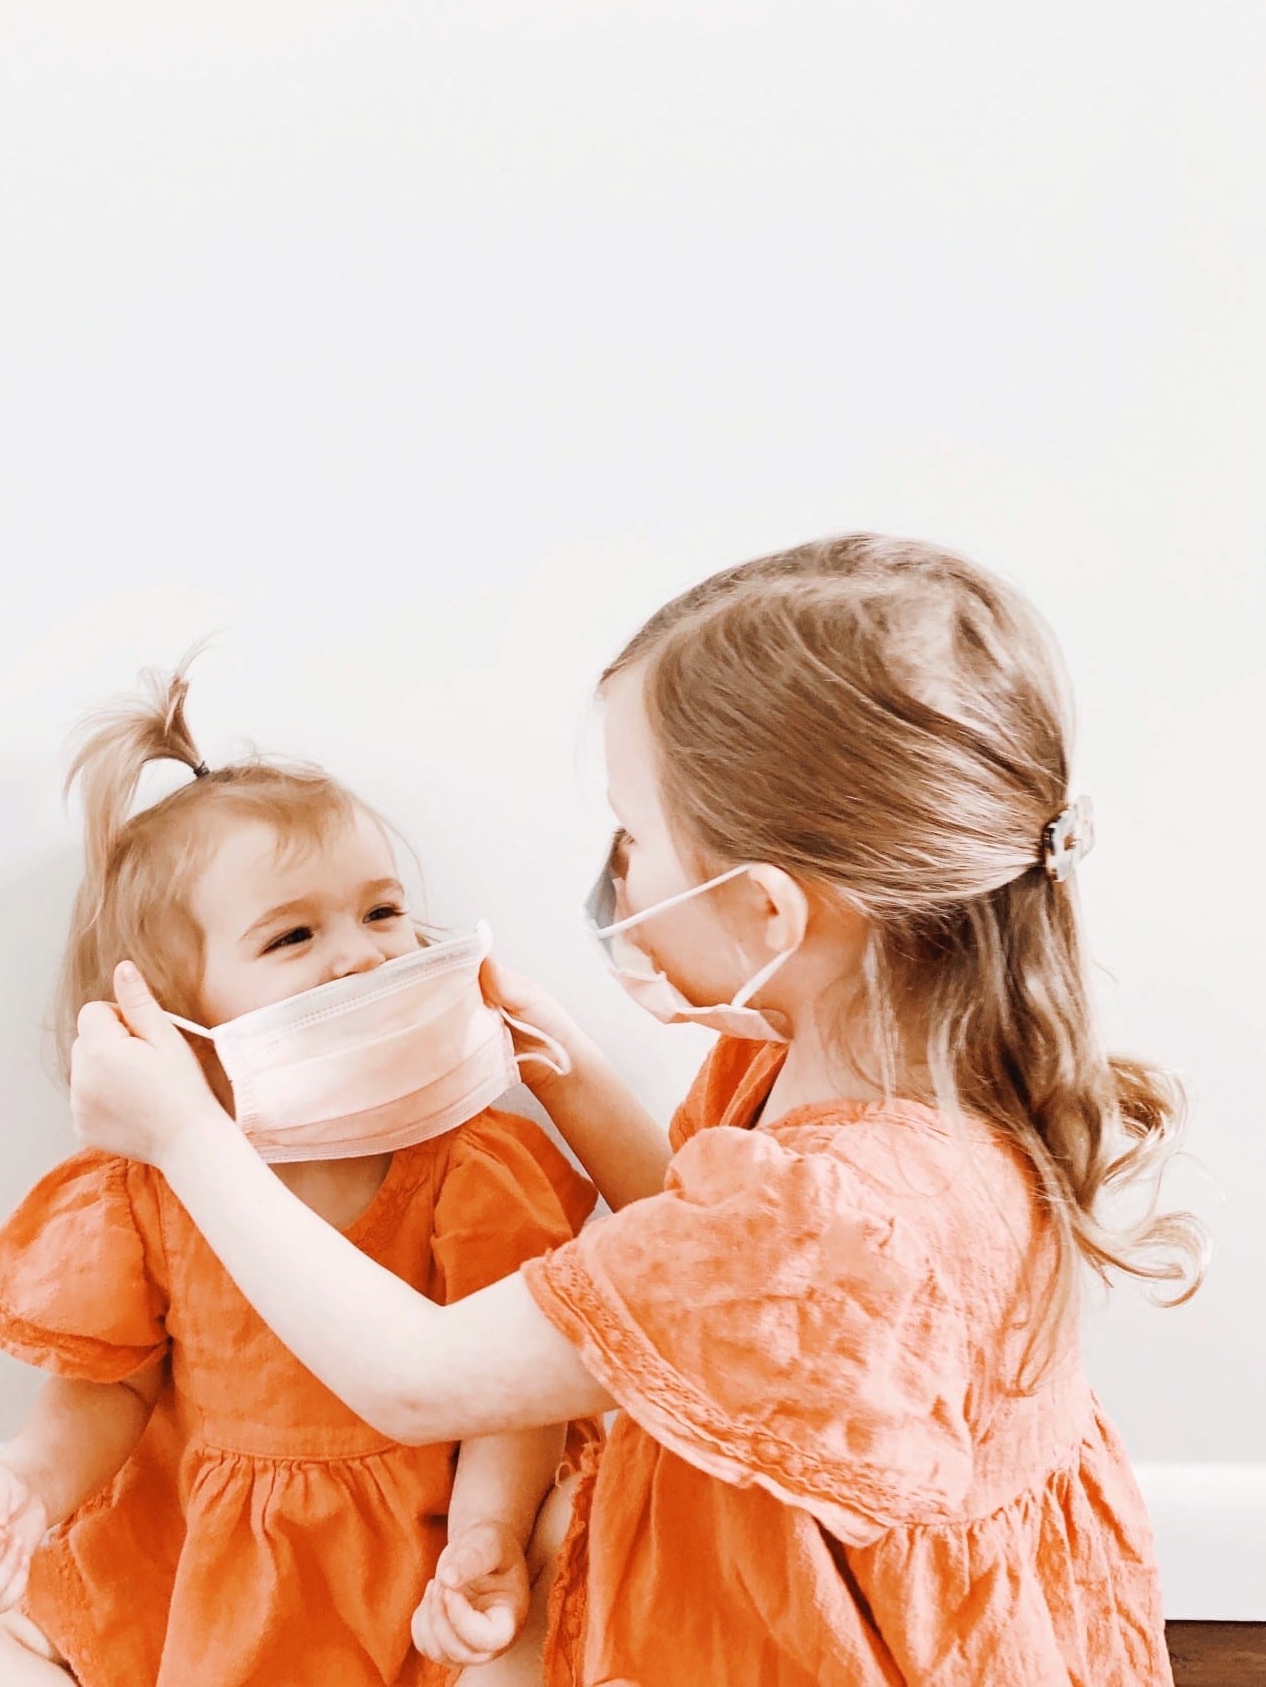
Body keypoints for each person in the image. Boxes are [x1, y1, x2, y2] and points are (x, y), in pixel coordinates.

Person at [70, 535, 1203, 1684]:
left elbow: (416, 1374)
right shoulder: (887, 1074)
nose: (616, 871)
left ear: (766, 914)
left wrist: (183, 1134)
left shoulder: (820, 1215)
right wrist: (574, 1079)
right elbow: (715, 1291)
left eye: (635, 836)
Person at [0, 660, 600, 1687]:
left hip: (414, 1556)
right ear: (177, 1013)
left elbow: (509, 1392)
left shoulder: (473, 1161)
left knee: (534, 1643)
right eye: (293, 935)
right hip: (198, 1553)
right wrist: (27, 1487)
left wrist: (486, 1539)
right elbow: (106, 1393)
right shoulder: (143, 1187)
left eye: (382, 913)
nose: (363, 956)